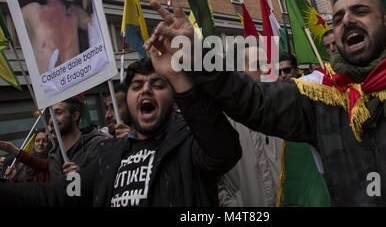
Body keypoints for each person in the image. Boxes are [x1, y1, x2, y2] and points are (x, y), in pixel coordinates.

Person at [144, 0, 386, 206]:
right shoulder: (320, 94)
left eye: (359, 11)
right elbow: (251, 100)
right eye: (339, 17)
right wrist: (195, 53)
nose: (346, 21)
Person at [0, 57, 241, 207]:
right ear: (127, 100)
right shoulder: (109, 153)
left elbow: (225, 151)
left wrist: (183, 80)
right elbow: (60, 194)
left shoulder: (190, 143)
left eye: (158, 85)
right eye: (137, 86)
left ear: (173, 98)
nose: (146, 90)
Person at [218, 43, 283, 207]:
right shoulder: (218, 121)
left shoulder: (281, 111)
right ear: (238, 73)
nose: (267, 70)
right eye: (258, 65)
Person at [46, 97, 105, 180]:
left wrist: (82, 177)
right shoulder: (54, 154)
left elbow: (106, 183)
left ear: (75, 116)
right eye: (50, 115)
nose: (51, 120)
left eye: (58, 113)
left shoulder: (96, 145)